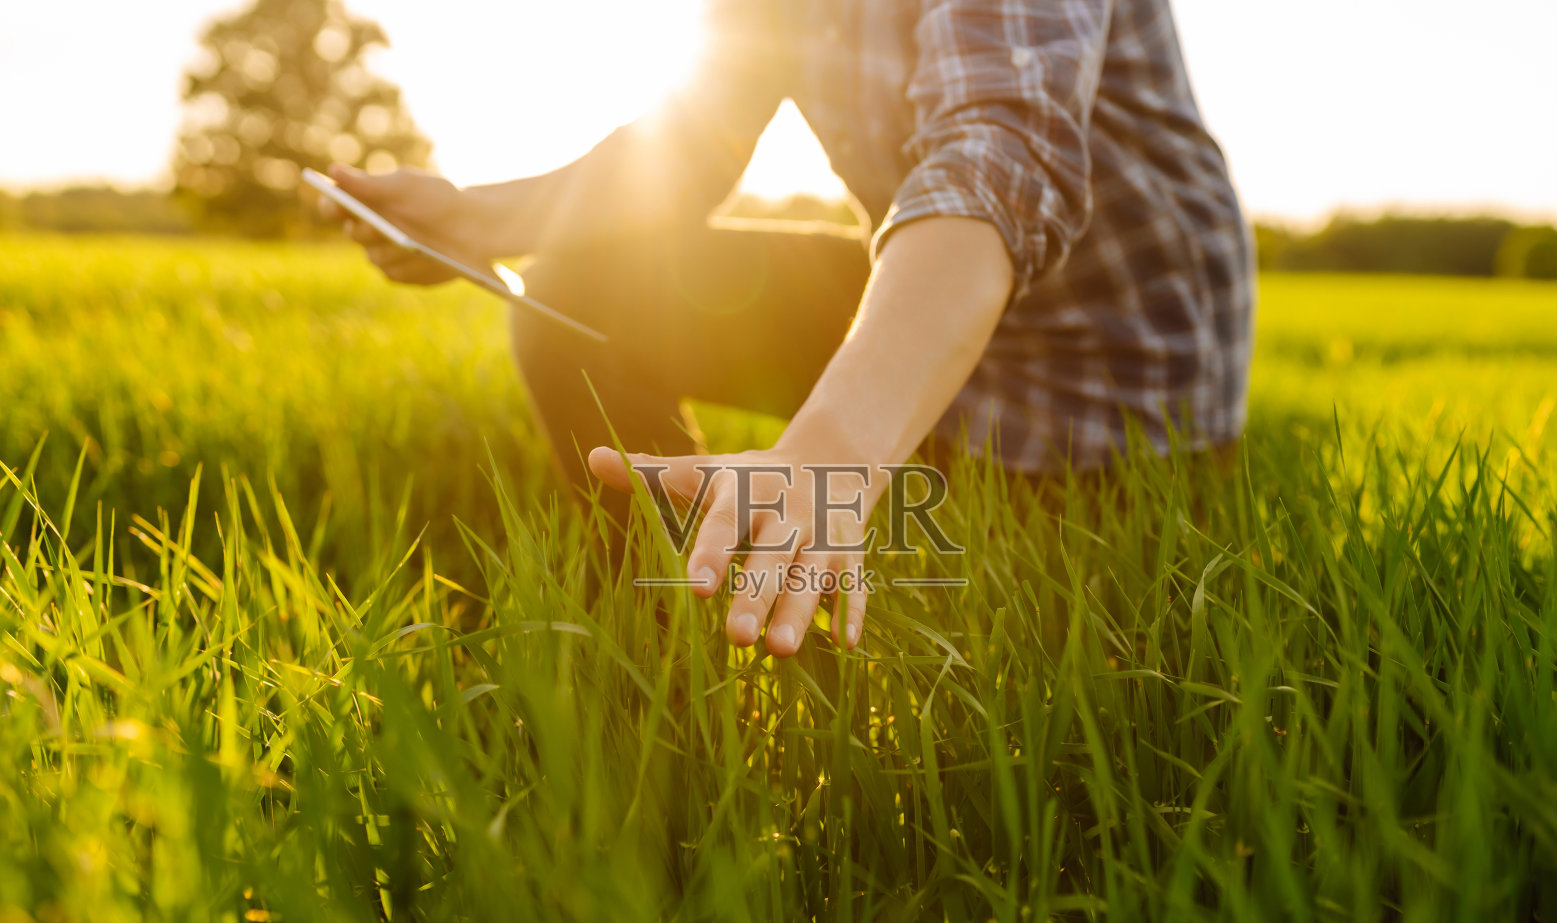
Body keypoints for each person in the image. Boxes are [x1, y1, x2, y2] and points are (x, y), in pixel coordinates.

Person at [322, 0, 1254, 659]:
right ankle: (671, 643)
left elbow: (996, 159)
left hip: (1109, 366)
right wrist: (473, 219)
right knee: (584, 289)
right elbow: (687, 149)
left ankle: (796, 566)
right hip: (915, 289)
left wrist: (833, 448)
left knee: (1052, 624)